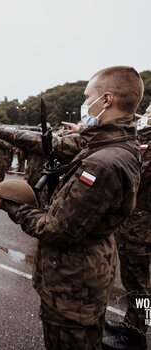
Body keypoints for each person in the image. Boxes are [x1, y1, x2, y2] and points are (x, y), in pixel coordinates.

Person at [0, 66, 144, 349]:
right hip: (92, 268)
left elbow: (57, 229)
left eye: (86, 96)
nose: (84, 102)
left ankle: (141, 328)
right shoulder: (114, 141)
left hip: (73, 282)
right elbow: (51, 143)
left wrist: (10, 206)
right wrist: (2, 132)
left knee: (136, 293)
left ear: (106, 100)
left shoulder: (101, 162)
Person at [102, 103, 151, 350]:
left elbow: (135, 176)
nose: (146, 115)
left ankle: (139, 334)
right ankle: (133, 324)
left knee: (140, 287)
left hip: (141, 229)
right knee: (136, 285)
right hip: (137, 226)